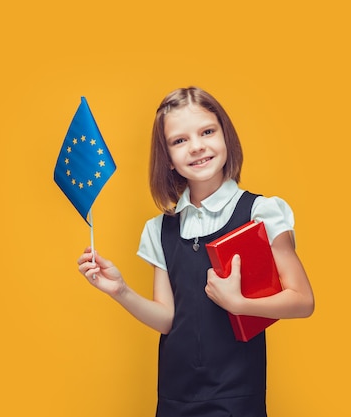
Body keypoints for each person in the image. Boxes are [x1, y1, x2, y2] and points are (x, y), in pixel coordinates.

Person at [77, 86, 314, 417]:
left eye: (207, 132)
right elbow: (168, 319)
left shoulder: (260, 212)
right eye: (179, 141)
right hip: (175, 398)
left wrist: (239, 304)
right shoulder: (160, 229)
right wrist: (120, 291)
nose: (197, 147)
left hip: (236, 397)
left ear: (226, 137)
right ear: (168, 159)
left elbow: (303, 301)